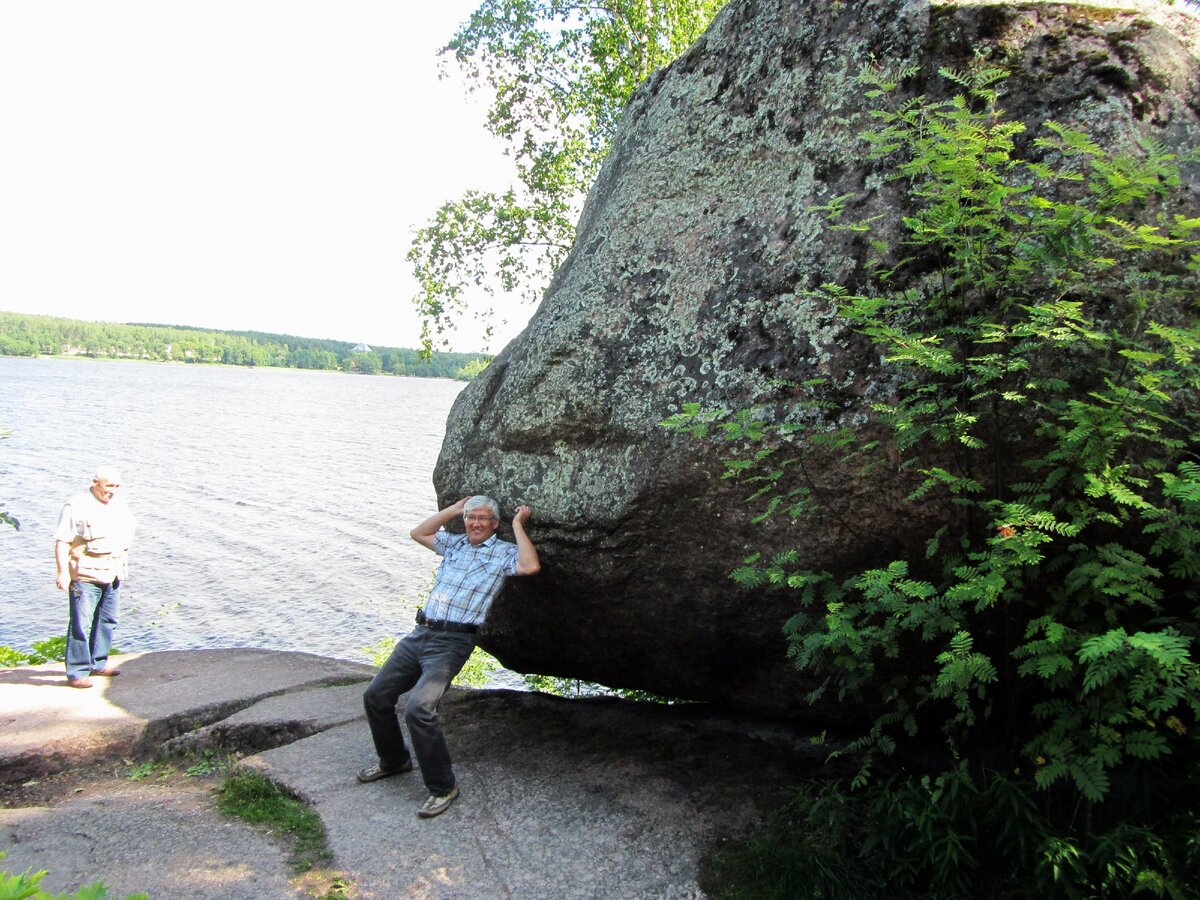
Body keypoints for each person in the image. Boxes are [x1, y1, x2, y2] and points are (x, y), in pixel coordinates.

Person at [359, 494, 540, 818]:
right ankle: (394, 761)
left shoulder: (502, 553)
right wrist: (454, 510)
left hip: (452, 642)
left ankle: (443, 788)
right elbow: (419, 533)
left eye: (483, 518)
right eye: (471, 517)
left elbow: (530, 565)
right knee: (376, 696)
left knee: (419, 708)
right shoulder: (454, 544)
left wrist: (518, 526)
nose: (476, 523)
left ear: (494, 524)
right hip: (420, 634)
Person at [54, 466, 136, 689]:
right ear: (95, 482)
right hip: (86, 574)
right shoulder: (77, 506)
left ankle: (98, 662)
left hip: (113, 571)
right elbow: (62, 541)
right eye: (109, 486)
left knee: (108, 620)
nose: (113, 491)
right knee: (80, 624)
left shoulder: (119, 505)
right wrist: (62, 573)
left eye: (117, 486)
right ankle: (77, 671)